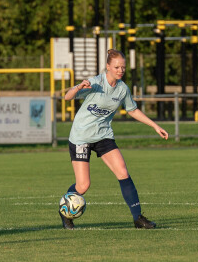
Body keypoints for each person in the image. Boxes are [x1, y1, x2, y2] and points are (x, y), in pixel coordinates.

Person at [59, 49, 169, 230]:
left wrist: (155, 126)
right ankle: (65, 212)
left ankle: (138, 218)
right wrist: (78, 87)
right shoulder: (95, 83)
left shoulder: (122, 88)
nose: (120, 70)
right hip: (81, 136)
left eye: (123, 68)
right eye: (117, 67)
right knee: (83, 185)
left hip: (103, 136)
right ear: (108, 66)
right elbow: (67, 97)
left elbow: (132, 110)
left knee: (123, 172)